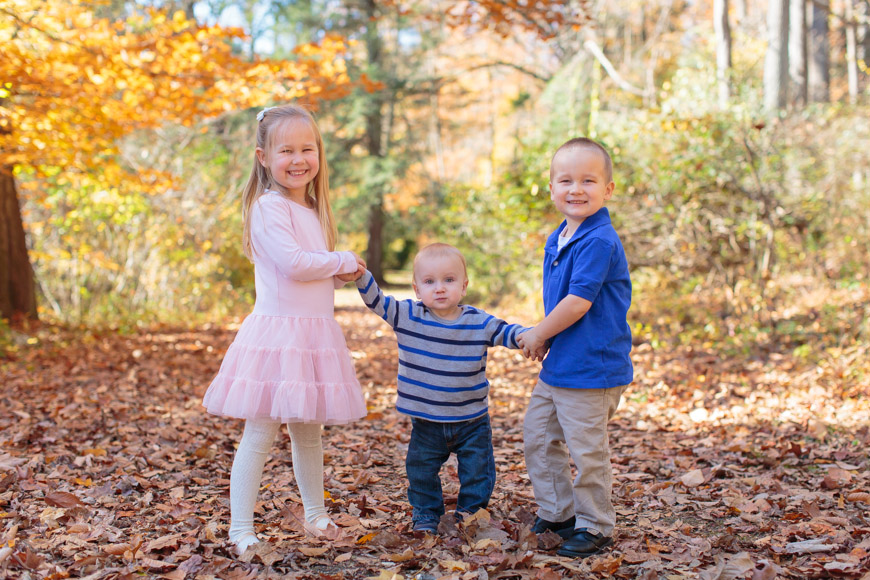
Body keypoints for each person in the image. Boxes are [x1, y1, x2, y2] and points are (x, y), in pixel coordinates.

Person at [202, 104, 367, 555]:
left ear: (319, 154)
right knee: (260, 432)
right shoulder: (268, 207)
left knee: (308, 432)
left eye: (307, 149)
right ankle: (241, 529)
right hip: (278, 338)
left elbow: (308, 270)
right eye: (287, 151)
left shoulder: (311, 208)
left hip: (313, 335)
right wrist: (342, 260)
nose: (299, 159)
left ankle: (315, 515)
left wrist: (338, 275)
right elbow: (293, 264)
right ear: (263, 157)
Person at [352, 243, 529, 533]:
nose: (440, 288)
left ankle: (469, 514)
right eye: (430, 281)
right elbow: (378, 302)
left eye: (449, 280)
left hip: (471, 419)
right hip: (427, 420)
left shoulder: (478, 321)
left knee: (478, 472)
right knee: (420, 470)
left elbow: (507, 332)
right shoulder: (408, 315)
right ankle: (426, 514)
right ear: (417, 289)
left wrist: (531, 336)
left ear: (464, 285)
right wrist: (362, 277)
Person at [517, 137, 633, 559]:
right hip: (562, 366)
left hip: (592, 367)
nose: (576, 189)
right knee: (539, 436)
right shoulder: (560, 236)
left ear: (608, 189)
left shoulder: (599, 240)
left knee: (586, 451)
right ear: (551, 189)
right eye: (565, 180)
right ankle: (558, 512)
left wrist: (539, 332)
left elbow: (578, 302)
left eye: (588, 180)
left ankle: (596, 525)